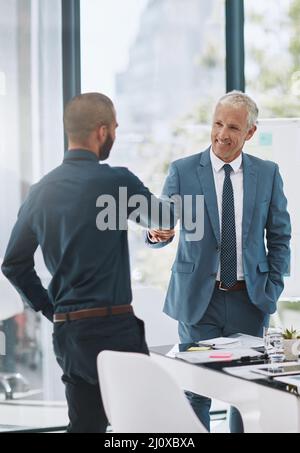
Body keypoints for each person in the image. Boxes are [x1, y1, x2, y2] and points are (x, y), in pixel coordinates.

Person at [1, 92, 174, 433]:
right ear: (101, 131)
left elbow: (13, 263)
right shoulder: (115, 181)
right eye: (114, 128)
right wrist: (157, 227)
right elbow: (164, 217)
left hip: (70, 331)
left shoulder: (41, 191)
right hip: (114, 328)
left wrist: (52, 310)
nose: (115, 134)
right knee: (141, 424)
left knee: (85, 426)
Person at [147, 91, 291, 432]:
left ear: (250, 133)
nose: (222, 134)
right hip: (199, 300)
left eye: (233, 128)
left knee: (247, 394)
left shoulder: (268, 173)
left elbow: (281, 237)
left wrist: (272, 287)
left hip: (250, 299)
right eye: (217, 123)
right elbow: (162, 221)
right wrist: (157, 233)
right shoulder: (182, 171)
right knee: (197, 390)